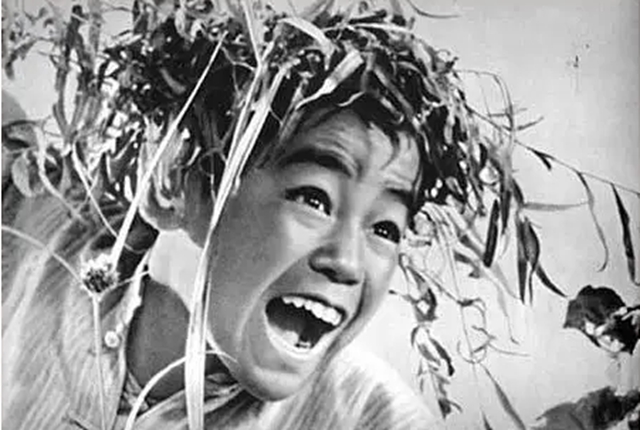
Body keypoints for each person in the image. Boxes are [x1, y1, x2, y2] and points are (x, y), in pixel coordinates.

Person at [2, 1, 468, 429]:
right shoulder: (39, 226)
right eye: (313, 199)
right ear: (173, 181)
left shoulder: (376, 421)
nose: (347, 262)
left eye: (385, 228)